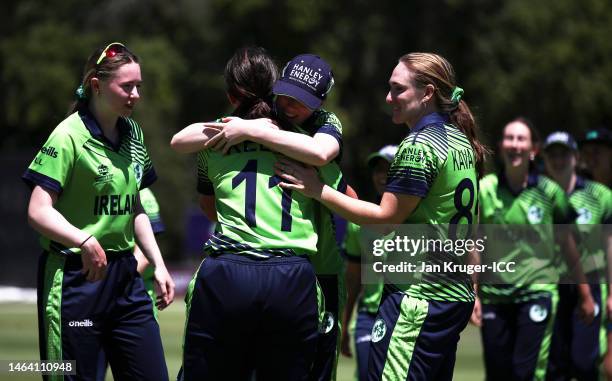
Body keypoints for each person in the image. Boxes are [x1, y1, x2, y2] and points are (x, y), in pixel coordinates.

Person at [275, 52, 488, 381]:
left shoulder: (419, 146)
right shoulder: (461, 142)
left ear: (428, 93)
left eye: (398, 89)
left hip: (419, 297)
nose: (389, 98)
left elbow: (384, 219)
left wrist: (317, 189)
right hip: (453, 296)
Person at [172, 53, 352, 381]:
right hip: (295, 273)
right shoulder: (303, 142)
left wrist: (251, 130)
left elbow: (200, 190)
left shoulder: (215, 143)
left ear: (230, 96)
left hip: (228, 271)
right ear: (273, 89)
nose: (291, 104)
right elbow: (348, 196)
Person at [23, 42, 174, 380]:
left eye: (138, 86)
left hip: (125, 279)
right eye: (126, 86)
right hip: (76, 279)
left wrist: (159, 264)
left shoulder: (133, 132)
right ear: (96, 85)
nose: (135, 94)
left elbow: (134, 205)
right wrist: (85, 240)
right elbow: (37, 210)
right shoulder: (67, 136)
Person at [472, 119, 595, 381]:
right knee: (497, 374)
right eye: (509, 139)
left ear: (533, 149)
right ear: (502, 146)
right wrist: (474, 294)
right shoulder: (485, 190)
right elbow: (474, 245)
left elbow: (569, 245)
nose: (514, 145)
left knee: (525, 373)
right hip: (495, 297)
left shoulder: (550, 192)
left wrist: (585, 293)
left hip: (537, 293)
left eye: (521, 139)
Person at [542, 131, 612, 380]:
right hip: (552, 285)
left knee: (584, 363)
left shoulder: (601, 196)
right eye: (553, 155)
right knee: (554, 366)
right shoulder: (539, 195)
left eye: (564, 154)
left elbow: (609, 245)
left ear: (575, 157)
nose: (558, 160)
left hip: (591, 284)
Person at [340, 145, 397, 381]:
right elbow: (353, 278)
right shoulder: (359, 219)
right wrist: (344, 325)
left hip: (402, 316)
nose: (382, 175)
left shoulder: (417, 219)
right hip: (368, 316)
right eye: (377, 170)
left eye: (388, 169)